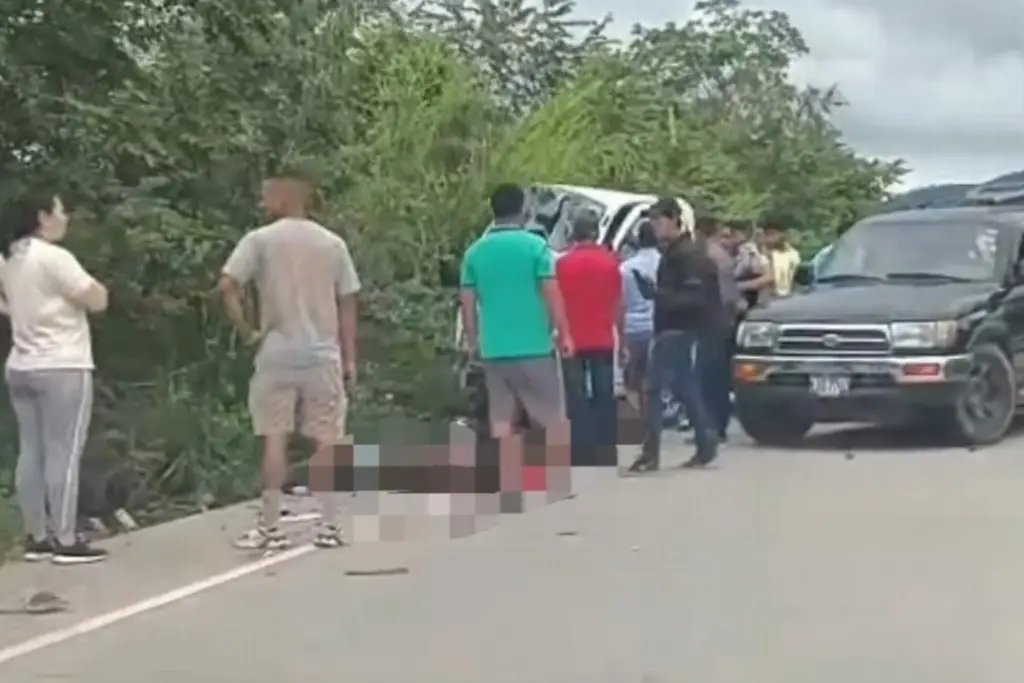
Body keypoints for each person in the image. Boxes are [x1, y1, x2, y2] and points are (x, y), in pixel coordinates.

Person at [220, 170, 359, 551]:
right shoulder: (332, 244)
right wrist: (350, 359)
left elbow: (228, 284)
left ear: (286, 196)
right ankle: (329, 526)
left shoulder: (260, 240)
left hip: (277, 351)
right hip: (323, 353)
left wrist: (248, 329)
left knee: (274, 438)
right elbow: (347, 302)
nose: (263, 200)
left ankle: (270, 527)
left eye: (268, 193)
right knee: (326, 437)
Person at [0, 193, 109, 564]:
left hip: (21, 364)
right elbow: (95, 299)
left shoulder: (12, 256)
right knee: (63, 452)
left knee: (32, 452)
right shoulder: (54, 257)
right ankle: (65, 537)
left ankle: (36, 535)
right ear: (43, 216)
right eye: (61, 210)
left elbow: (8, 305)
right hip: (63, 364)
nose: (66, 218)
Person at [459, 184, 572, 504]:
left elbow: (467, 303)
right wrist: (563, 332)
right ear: (523, 210)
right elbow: (551, 292)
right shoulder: (534, 247)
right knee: (549, 414)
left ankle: (508, 480)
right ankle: (556, 481)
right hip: (534, 343)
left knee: (501, 417)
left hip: (494, 348)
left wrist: (473, 342)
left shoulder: (475, 252)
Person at [628, 197, 720, 472]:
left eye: (659, 220)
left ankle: (651, 452)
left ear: (674, 220)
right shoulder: (674, 252)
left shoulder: (689, 255)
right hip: (673, 327)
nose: (654, 225)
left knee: (653, 389)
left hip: (679, 328)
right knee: (683, 388)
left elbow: (695, 296)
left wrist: (658, 294)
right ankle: (705, 442)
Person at [555, 209, 622, 468]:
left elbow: (556, 302)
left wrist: (559, 332)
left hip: (572, 338)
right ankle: (606, 449)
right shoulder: (611, 262)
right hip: (603, 336)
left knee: (576, 395)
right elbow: (619, 303)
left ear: (574, 232)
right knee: (604, 394)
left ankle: (580, 451)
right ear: (596, 232)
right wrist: (622, 336)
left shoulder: (562, 264)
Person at [694, 216, 740, 441]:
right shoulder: (723, 257)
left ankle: (711, 426)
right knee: (720, 376)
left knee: (707, 376)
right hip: (725, 321)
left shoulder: (707, 257)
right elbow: (732, 297)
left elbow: (722, 295)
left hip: (710, 321)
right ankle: (719, 425)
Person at [619, 219, 660, 414]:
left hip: (632, 327)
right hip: (658, 325)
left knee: (633, 378)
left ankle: (638, 414)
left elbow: (620, 301)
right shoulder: (665, 263)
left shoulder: (626, 268)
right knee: (654, 377)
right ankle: (654, 414)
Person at [763, 221, 801, 298]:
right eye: (767, 234)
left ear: (782, 235)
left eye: (773, 234)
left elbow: (794, 276)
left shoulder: (792, 253)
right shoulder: (760, 253)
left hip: (786, 296)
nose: (770, 238)